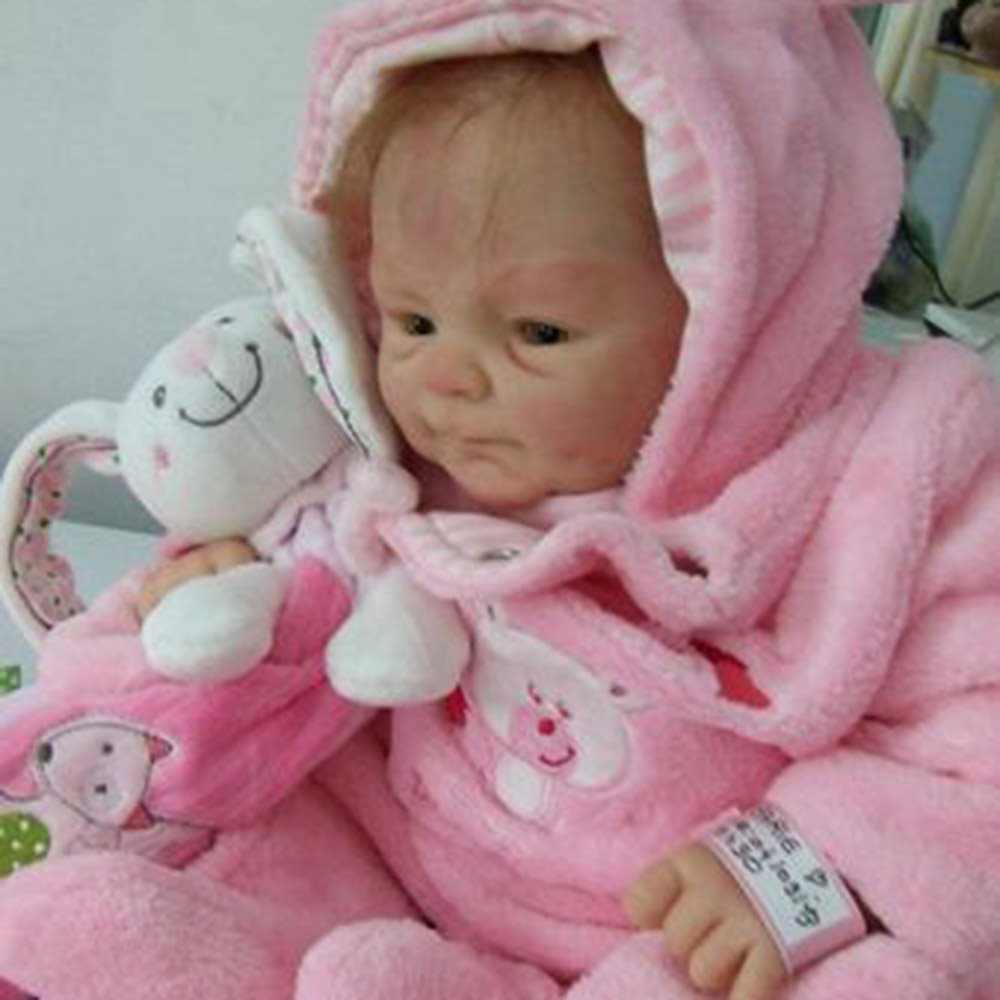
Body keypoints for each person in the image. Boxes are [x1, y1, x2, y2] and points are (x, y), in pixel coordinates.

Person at [5, 1, 1000, 998]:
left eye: (538, 332)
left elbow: (978, 728)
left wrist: (799, 867)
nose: (446, 379)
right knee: (158, 871)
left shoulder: (884, 471)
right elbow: (298, 557)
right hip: (400, 849)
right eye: (414, 319)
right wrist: (218, 579)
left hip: (682, 922)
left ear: (740, 312)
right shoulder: (384, 435)